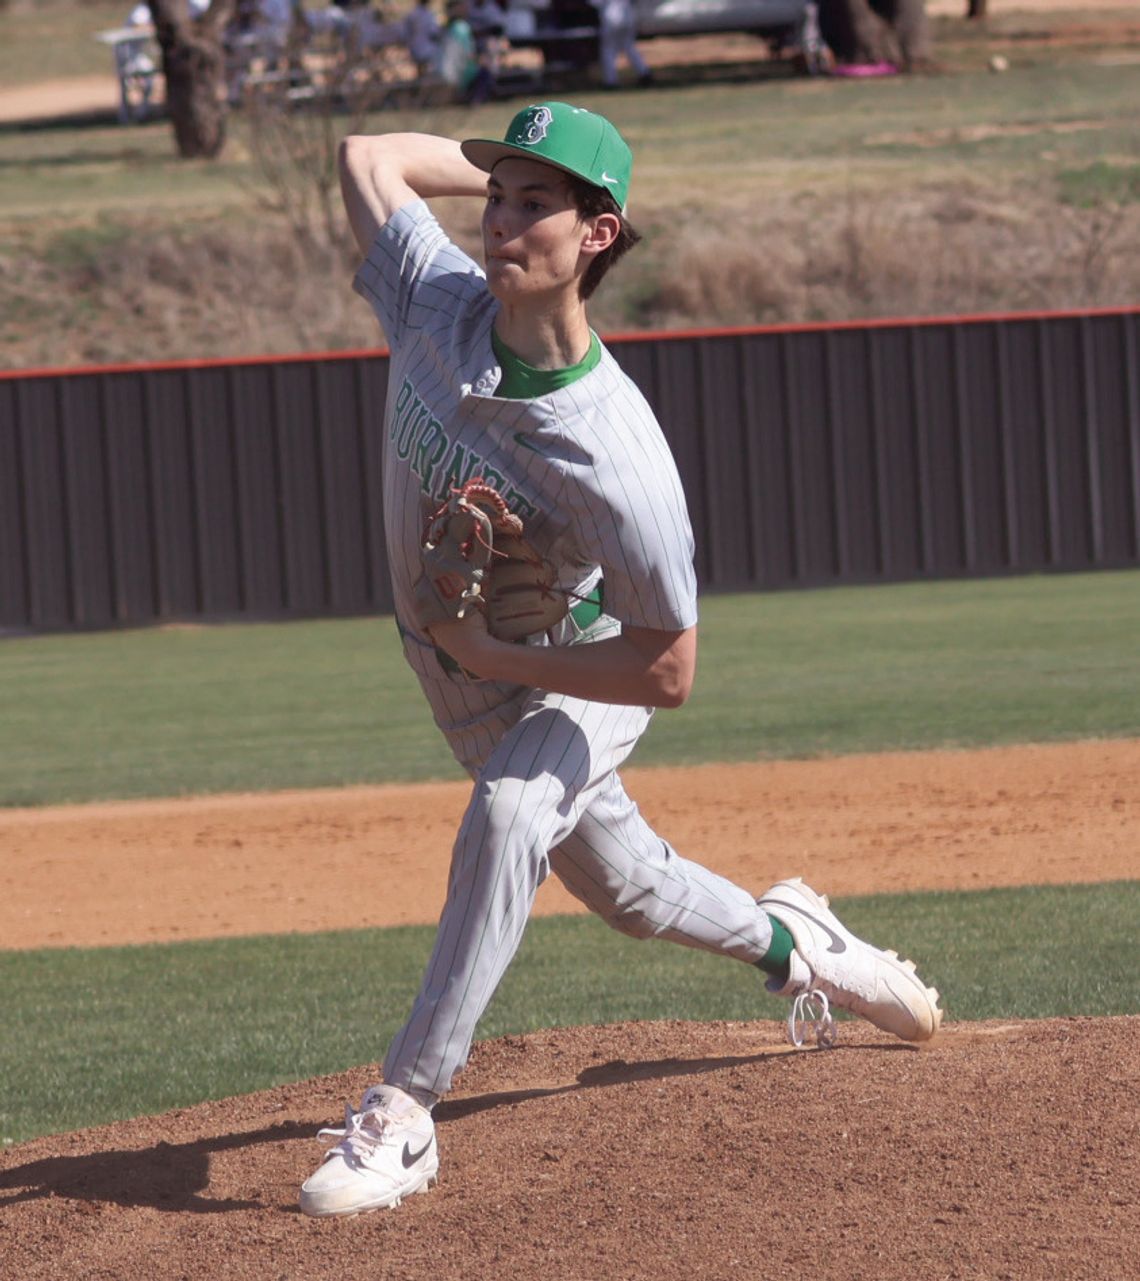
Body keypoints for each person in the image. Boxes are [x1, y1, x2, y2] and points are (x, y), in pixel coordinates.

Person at [299, 101, 943, 1219]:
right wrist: (511, 164)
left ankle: (405, 1112)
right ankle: (803, 943)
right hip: (471, 679)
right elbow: (366, 156)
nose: (501, 220)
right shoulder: (432, 300)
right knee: (635, 893)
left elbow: (667, 670)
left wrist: (494, 644)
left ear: (600, 235)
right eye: (497, 195)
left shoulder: (614, 454)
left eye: (535, 204)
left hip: (574, 667)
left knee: (511, 815)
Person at [591, 0, 652, 89]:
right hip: (628, 18)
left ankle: (610, 81)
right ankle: (644, 73)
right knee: (629, 47)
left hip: (611, 19)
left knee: (608, 50)